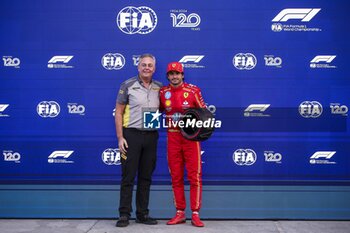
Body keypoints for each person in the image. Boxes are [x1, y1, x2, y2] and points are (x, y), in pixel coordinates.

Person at [114, 54, 162, 227]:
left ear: (154, 68)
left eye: (150, 65)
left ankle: (142, 214)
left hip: (151, 136)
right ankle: (124, 214)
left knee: (146, 177)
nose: (147, 68)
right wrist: (120, 137)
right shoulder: (127, 85)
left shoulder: (160, 87)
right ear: (138, 67)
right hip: (131, 136)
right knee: (128, 176)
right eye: (144, 65)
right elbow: (118, 112)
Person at [159, 62, 206, 227]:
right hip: (172, 138)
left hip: (190, 140)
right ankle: (180, 212)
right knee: (176, 177)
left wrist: (195, 129)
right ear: (168, 76)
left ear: (182, 75)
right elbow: (154, 113)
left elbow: (205, 115)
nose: (174, 76)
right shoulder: (163, 92)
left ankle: (195, 213)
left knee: (194, 177)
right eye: (171, 74)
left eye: (177, 73)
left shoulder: (193, 91)